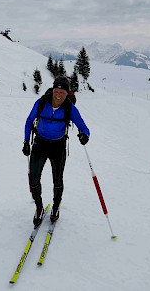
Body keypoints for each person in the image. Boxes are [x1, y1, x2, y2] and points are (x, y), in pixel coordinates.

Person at [22, 76, 90, 228]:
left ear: (67, 94)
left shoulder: (69, 108)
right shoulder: (41, 103)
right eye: (56, 91)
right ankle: (39, 207)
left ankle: (56, 207)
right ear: (53, 90)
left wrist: (85, 135)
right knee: (34, 179)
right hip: (39, 144)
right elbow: (29, 120)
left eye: (62, 92)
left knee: (57, 181)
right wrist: (26, 141)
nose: (58, 94)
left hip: (58, 147)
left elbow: (83, 127)